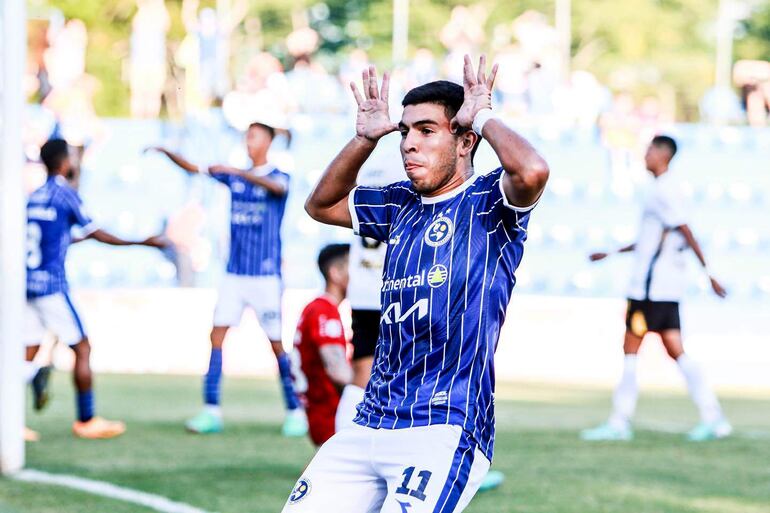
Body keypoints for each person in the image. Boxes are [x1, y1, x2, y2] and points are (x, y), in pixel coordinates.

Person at [284, 55, 549, 512]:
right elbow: (321, 205)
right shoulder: (399, 202)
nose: (409, 143)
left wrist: (483, 115)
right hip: (370, 422)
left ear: (465, 141)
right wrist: (364, 139)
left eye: (426, 131)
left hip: (441, 427)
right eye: (405, 132)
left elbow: (533, 171)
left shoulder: (489, 200)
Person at [147, 119, 306, 437]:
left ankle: (295, 410)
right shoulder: (234, 177)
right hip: (234, 275)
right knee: (216, 337)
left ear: (268, 142)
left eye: (255, 137)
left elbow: (279, 189)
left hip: (265, 276)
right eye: (247, 136)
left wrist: (236, 172)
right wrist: (166, 151)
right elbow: (194, 168)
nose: (249, 142)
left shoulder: (277, 176)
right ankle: (211, 410)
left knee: (276, 344)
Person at [580, 135, 732, 443]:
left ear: (663, 155)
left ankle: (619, 421)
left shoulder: (664, 191)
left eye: (650, 150)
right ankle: (714, 418)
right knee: (676, 351)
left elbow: (687, 232)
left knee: (631, 351)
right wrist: (610, 253)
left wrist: (709, 274)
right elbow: (653, 240)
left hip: (649, 290)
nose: (645, 155)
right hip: (663, 290)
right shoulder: (665, 190)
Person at [25, 138, 166, 439]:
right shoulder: (65, 194)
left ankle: (12, 421)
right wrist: (144, 242)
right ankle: (87, 420)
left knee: (26, 352)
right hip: (52, 285)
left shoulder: (34, 196)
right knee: (82, 347)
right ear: (65, 163)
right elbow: (97, 232)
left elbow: (50, 237)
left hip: (28, 284)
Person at [292, 244, 353, 446]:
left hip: (320, 409)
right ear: (335, 273)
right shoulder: (323, 311)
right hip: (329, 412)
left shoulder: (316, 308)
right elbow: (337, 371)